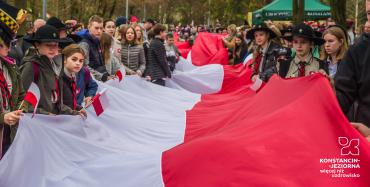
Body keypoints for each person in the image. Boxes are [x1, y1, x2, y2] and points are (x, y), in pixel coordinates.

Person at [20, 25, 85, 117]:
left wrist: (72, 112)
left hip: (52, 122)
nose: (53, 48)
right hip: (37, 122)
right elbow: (21, 102)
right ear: (37, 45)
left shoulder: (56, 65)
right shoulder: (31, 66)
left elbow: (57, 102)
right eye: (48, 45)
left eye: (56, 45)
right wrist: (44, 114)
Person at [334, 0, 370, 128]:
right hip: (364, 136)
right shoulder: (357, 51)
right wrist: (328, 91)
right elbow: (343, 95)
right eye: (369, 13)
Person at [0, 1, 27, 158]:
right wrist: (3, 117)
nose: (10, 49)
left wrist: (21, 108)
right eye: (6, 44)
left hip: (9, 136)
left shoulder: (11, 67)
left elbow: (20, 95)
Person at [61, 44, 98, 109]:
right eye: (74, 59)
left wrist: (90, 95)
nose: (78, 63)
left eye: (81, 61)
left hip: (78, 112)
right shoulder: (57, 75)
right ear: (64, 59)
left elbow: (92, 86)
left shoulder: (84, 72)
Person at [79, 15, 110, 82]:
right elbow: (83, 66)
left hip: (100, 81)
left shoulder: (97, 41)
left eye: (101, 28)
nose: (99, 31)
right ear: (89, 27)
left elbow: (100, 65)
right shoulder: (84, 44)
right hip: (91, 82)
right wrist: (101, 77)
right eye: (96, 28)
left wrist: (107, 75)